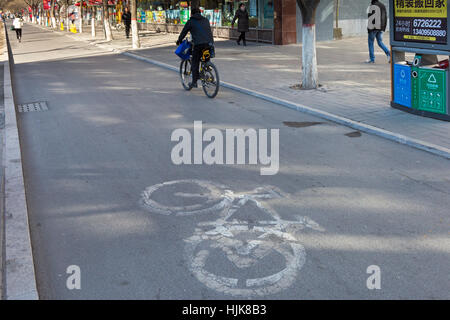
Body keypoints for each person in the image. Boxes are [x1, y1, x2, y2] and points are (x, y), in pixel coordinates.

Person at [176, 7, 214, 88]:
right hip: (209, 44)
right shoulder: (206, 20)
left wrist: (179, 40)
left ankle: (194, 82)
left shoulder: (191, 21)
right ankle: (207, 69)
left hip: (199, 44)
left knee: (195, 61)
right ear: (200, 13)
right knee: (205, 57)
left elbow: (184, 32)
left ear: (192, 14)